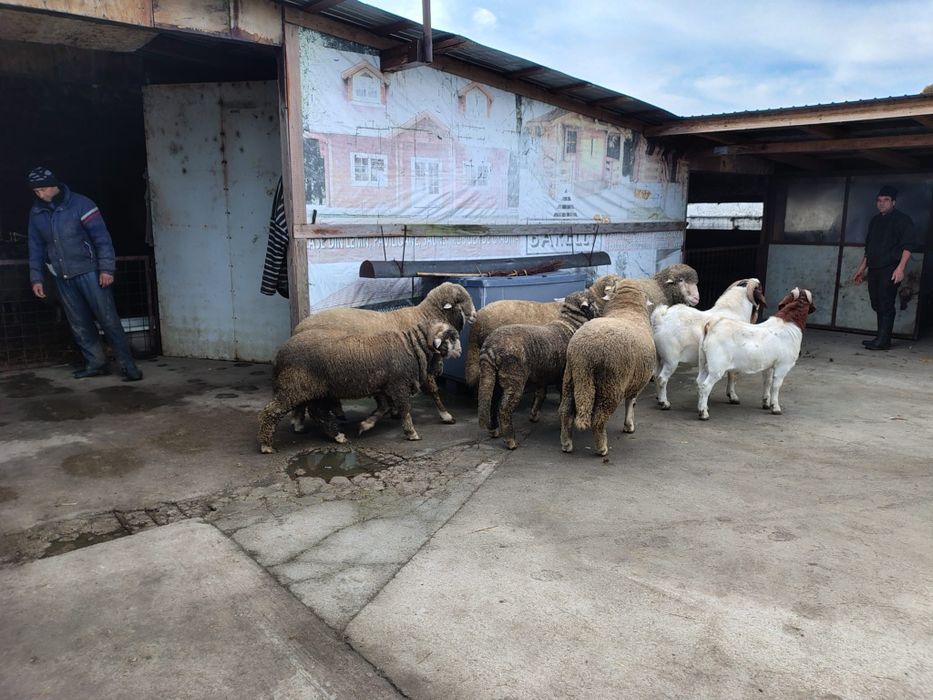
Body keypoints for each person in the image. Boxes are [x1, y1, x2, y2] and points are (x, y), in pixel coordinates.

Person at [26, 166, 143, 381]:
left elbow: (101, 238)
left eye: (42, 189)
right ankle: (95, 363)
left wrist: (107, 269)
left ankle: (128, 366)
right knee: (79, 323)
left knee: (108, 319)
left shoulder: (81, 204)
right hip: (62, 275)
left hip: (90, 271)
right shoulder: (37, 213)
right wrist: (37, 277)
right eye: (36, 192)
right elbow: (35, 247)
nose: (40, 195)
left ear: (54, 185)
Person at [851, 185, 915, 351]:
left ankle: (884, 340)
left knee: (886, 302)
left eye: (886, 200)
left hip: (891, 267)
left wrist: (900, 268)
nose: (882, 203)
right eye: (879, 200)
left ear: (893, 202)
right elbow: (869, 247)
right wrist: (862, 267)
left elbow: (908, 246)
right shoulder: (875, 220)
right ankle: (880, 337)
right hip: (874, 267)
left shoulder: (903, 220)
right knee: (876, 302)